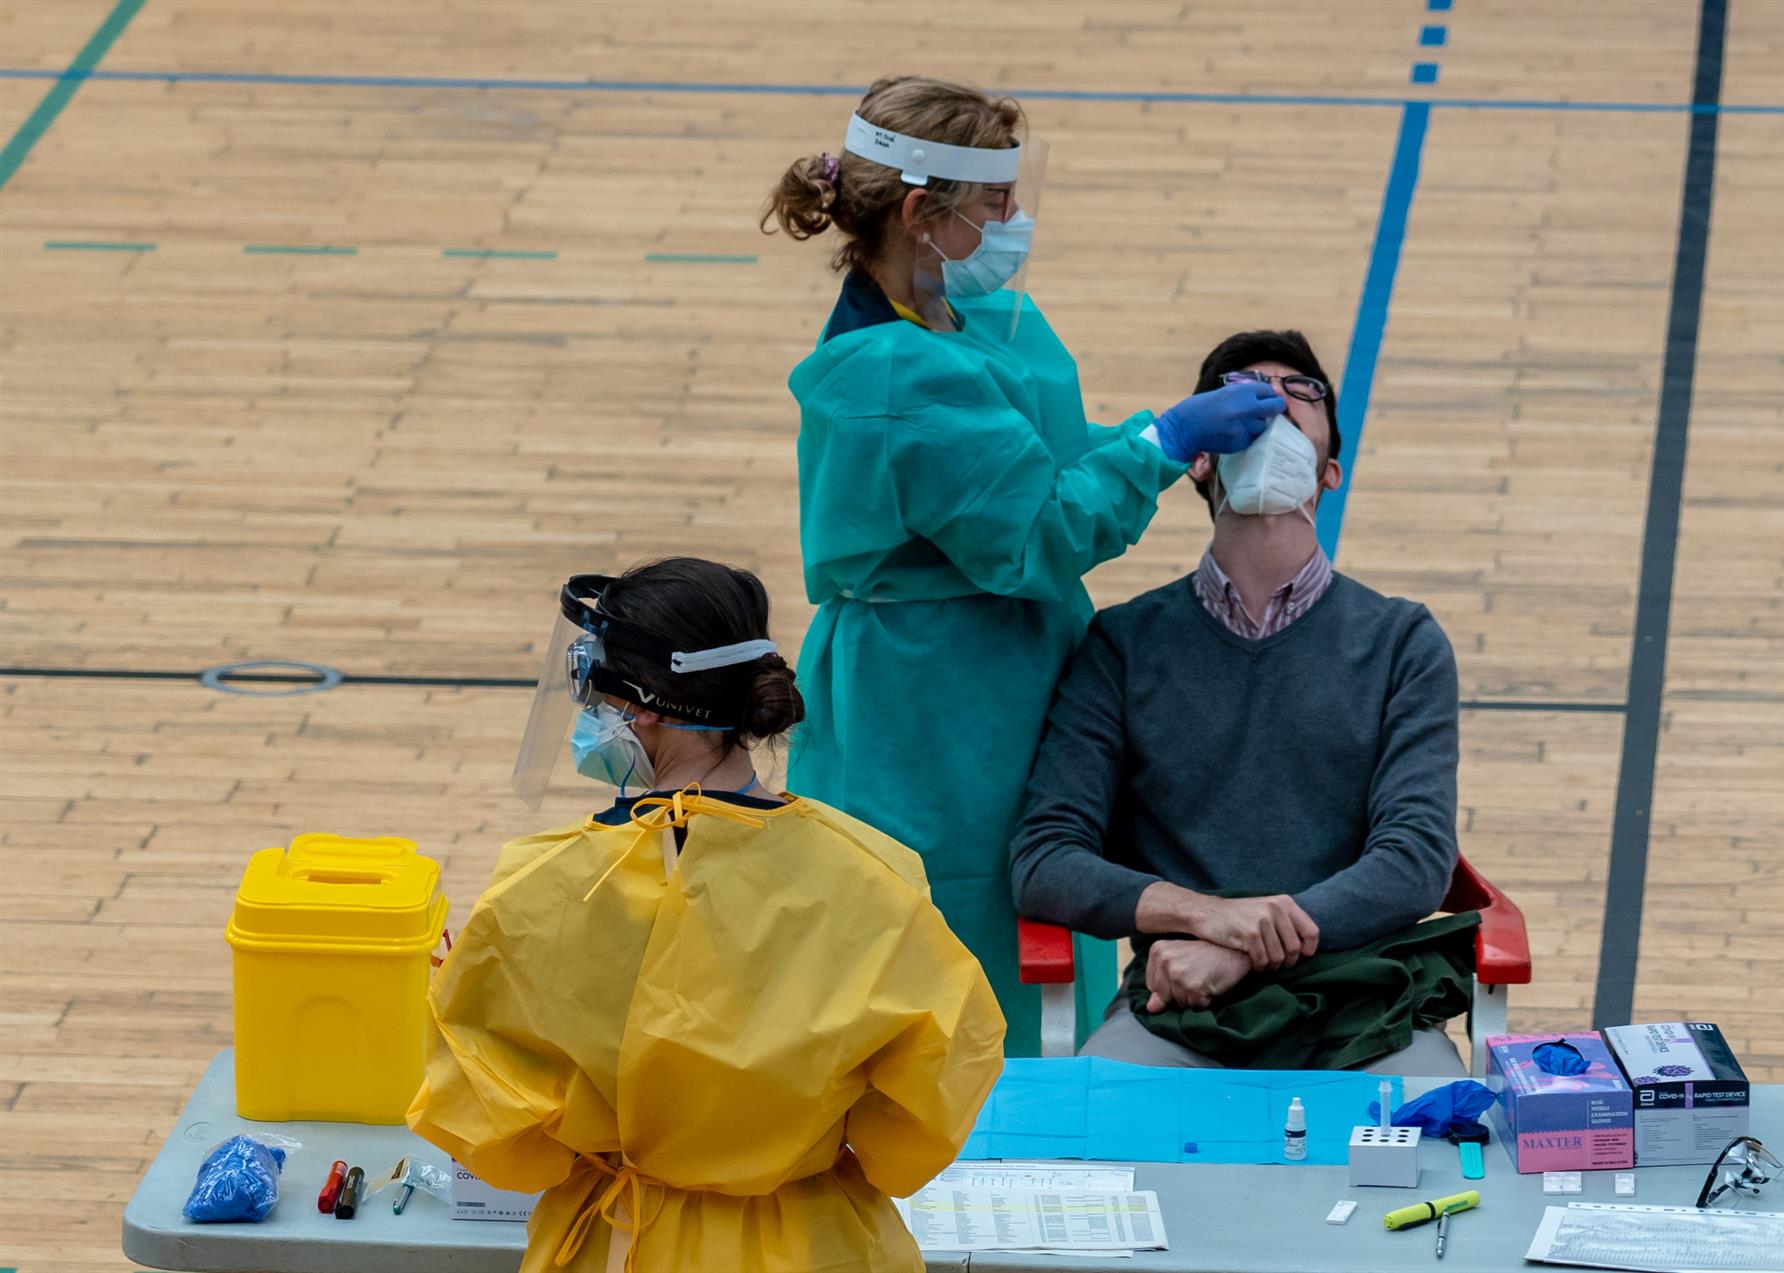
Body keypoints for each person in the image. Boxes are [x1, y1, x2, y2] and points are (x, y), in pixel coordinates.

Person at [764, 75, 1291, 1055]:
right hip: (934, 711)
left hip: (1008, 671)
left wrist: (1147, 443)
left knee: (1043, 884)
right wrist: (1162, 445)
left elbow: (1030, 456)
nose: (1016, 222)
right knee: (962, 931)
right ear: (923, 214)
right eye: (996, 206)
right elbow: (1033, 530)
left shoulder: (961, 319)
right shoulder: (894, 373)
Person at [410, 558, 1006, 1273]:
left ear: (646, 706)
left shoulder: (546, 886)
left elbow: (489, 1126)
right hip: (817, 1244)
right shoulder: (872, 873)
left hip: (619, 1241)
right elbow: (935, 1095)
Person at [1009, 330, 1469, 1075]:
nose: (1272, 399)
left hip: (1365, 1007)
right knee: (1103, 1158)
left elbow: (1415, 859)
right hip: (1177, 1006)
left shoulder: (1402, 641)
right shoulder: (1121, 644)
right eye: (1243, 390)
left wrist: (1241, 950)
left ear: (1330, 473)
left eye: (1299, 393)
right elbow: (1045, 859)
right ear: (1199, 457)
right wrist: (1206, 918)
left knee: (1437, 1157)